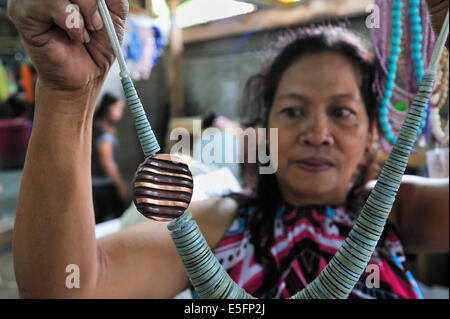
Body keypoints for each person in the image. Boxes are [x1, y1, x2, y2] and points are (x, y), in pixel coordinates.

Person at [9, 0, 448, 299]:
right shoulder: (219, 222)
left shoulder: (395, 209)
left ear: (373, 130)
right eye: (293, 112)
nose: (318, 132)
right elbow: (66, 287)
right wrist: (68, 94)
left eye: (342, 112)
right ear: (265, 129)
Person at [91, 92, 129, 224]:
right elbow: (107, 162)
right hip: (103, 184)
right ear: (108, 107)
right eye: (117, 108)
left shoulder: (99, 126)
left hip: (96, 183)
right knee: (120, 216)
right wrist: (121, 185)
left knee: (101, 217)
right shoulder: (102, 133)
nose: (120, 113)